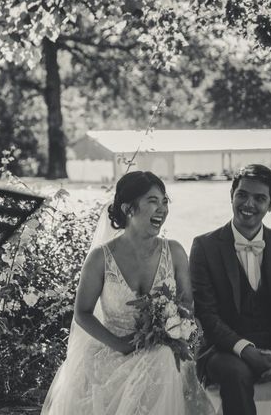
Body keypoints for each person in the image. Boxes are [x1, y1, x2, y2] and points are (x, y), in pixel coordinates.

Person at [41, 171, 214, 415]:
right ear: (128, 208)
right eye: (153, 201)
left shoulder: (174, 252)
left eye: (165, 201)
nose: (162, 209)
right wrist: (120, 344)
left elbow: (186, 305)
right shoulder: (100, 259)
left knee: (164, 360)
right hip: (112, 350)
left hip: (163, 348)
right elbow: (82, 313)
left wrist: (173, 330)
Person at [190, 164, 271, 415]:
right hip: (224, 350)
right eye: (242, 195)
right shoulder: (204, 246)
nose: (249, 204)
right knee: (235, 373)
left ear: (270, 205)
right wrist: (246, 351)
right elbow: (207, 315)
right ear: (232, 196)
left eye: (260, 198)